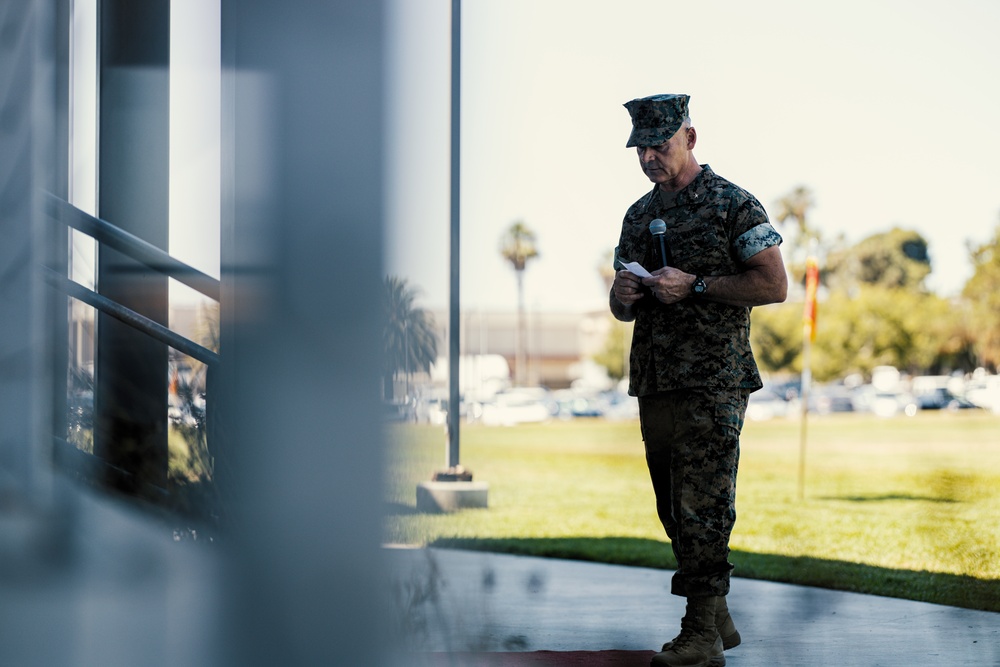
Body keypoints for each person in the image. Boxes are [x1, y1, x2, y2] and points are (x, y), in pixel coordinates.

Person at [610, 93, 787, 667]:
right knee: (670, 505)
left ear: (690, 137)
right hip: (655, 379)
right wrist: (622, 296)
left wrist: (699, 285)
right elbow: (622, 307)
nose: (648, 158)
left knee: (702, 503)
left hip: (714, 378)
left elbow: (772, 285)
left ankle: (700, 632)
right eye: (641, 148)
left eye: (659, 145)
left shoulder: (734, 204)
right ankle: (717, 612)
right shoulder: (638, 215)